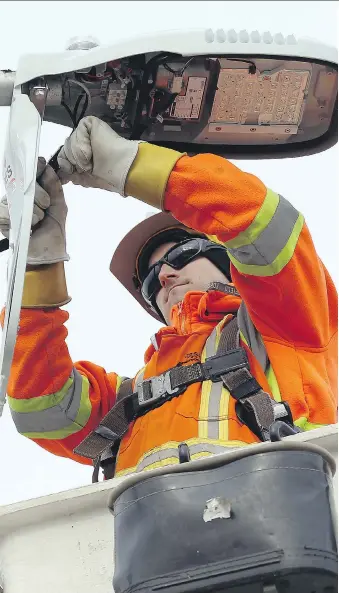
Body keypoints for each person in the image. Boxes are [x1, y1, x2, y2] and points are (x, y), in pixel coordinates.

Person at [0, 116, 337, 479]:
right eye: (149, 281)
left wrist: (131, 164)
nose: (163, 274)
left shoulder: (282, 326)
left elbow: (258, 221)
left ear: (224, 256)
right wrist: (37, 262)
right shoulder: (125, 401)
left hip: (279, 524)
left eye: (180, 255)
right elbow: (41, 405)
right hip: (150, 533)